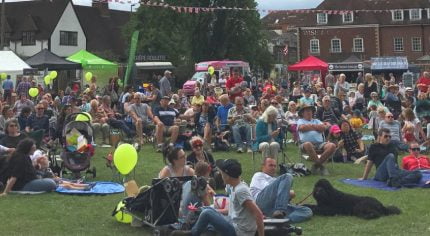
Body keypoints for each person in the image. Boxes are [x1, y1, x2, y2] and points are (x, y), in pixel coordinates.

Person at [171, 159, 264, 236]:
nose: (220, 175)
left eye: (221, 173)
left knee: (207, 213)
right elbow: (237, 211)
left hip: (239, 232)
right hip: (233, 222)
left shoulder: (241, 190)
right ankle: (187, 225)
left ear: (227, 176)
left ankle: (192, 233)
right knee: (205, 209)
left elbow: (258, 214)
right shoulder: (234, 186)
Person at [250, 157, 312, 223]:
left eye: (275, 166)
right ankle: (280, 209)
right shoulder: (259, 175)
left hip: (272, 207)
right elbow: (270, 192)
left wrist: (285, 194)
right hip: (260, 203)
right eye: (270, 165)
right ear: (263, 166)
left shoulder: (275, 180)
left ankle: (281, 221)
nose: (273, 168)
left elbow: (283, 193)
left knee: (306, 210)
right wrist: (287, 193)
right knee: (287, 176)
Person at [297, 105, 336, 175]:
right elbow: (302, 128)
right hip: (305, 144)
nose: (309, 112)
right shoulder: (300, 121)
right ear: (302, 113)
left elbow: (323, 128)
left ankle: (316, 165)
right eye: (307, 111)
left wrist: (310, 126)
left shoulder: (317, 120)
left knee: (332, 145)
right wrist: (317, 128)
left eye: (310, 111)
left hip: (320, 143)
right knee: (308, 144)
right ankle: (321, 166)